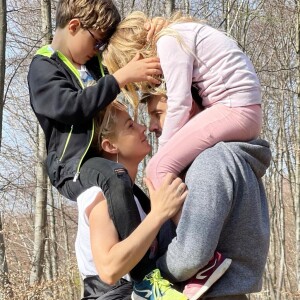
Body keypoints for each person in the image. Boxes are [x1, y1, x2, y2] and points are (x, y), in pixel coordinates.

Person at [102, 11, 262, 190]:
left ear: (134, 54)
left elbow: (180, 104)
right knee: (175, 168)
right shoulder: (177, 34)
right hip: (241, 110)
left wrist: (163, 150)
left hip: (234, 109)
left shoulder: (169, 41)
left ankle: (172, 219)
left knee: (157, 170)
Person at [27, 0, 163, 207]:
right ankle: (134, 240)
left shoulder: (93, 63)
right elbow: (72, 107)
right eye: (97, 42)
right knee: (116, 178)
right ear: (73, 26)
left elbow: (131, 67)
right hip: (73, 167)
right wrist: (119, 79)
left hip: (103, 163)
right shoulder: (43, 67)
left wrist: (154, 32)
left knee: (144, 203)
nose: (99, 49)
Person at [142, 92, 271, 299]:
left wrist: (150, 275)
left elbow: (191, 255)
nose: (152, 126)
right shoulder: (225, 159)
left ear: (186, 107)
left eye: (158, 114)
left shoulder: (211, 162)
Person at [75, 100, 189, 300]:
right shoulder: (99, 196)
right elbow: (109, 269)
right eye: (130, 125)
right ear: (110, 145)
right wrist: (158, 215)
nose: (143, 127)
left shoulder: (135, 197)